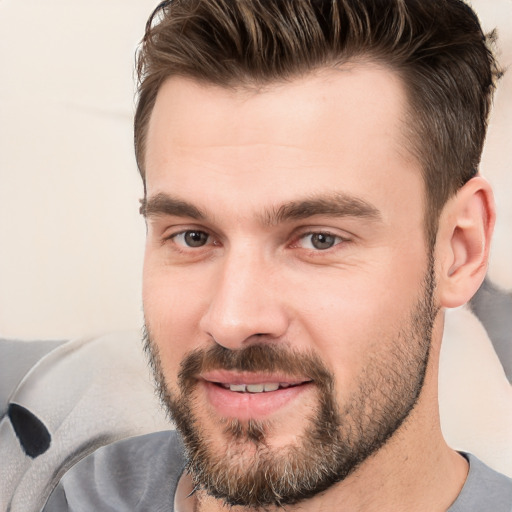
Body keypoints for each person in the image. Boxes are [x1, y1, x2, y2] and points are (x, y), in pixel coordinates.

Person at [43, 0, 512, 510]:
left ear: (460, 250)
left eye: (319, 239)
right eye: (193, 237)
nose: (232, 320)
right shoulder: (69, 491)